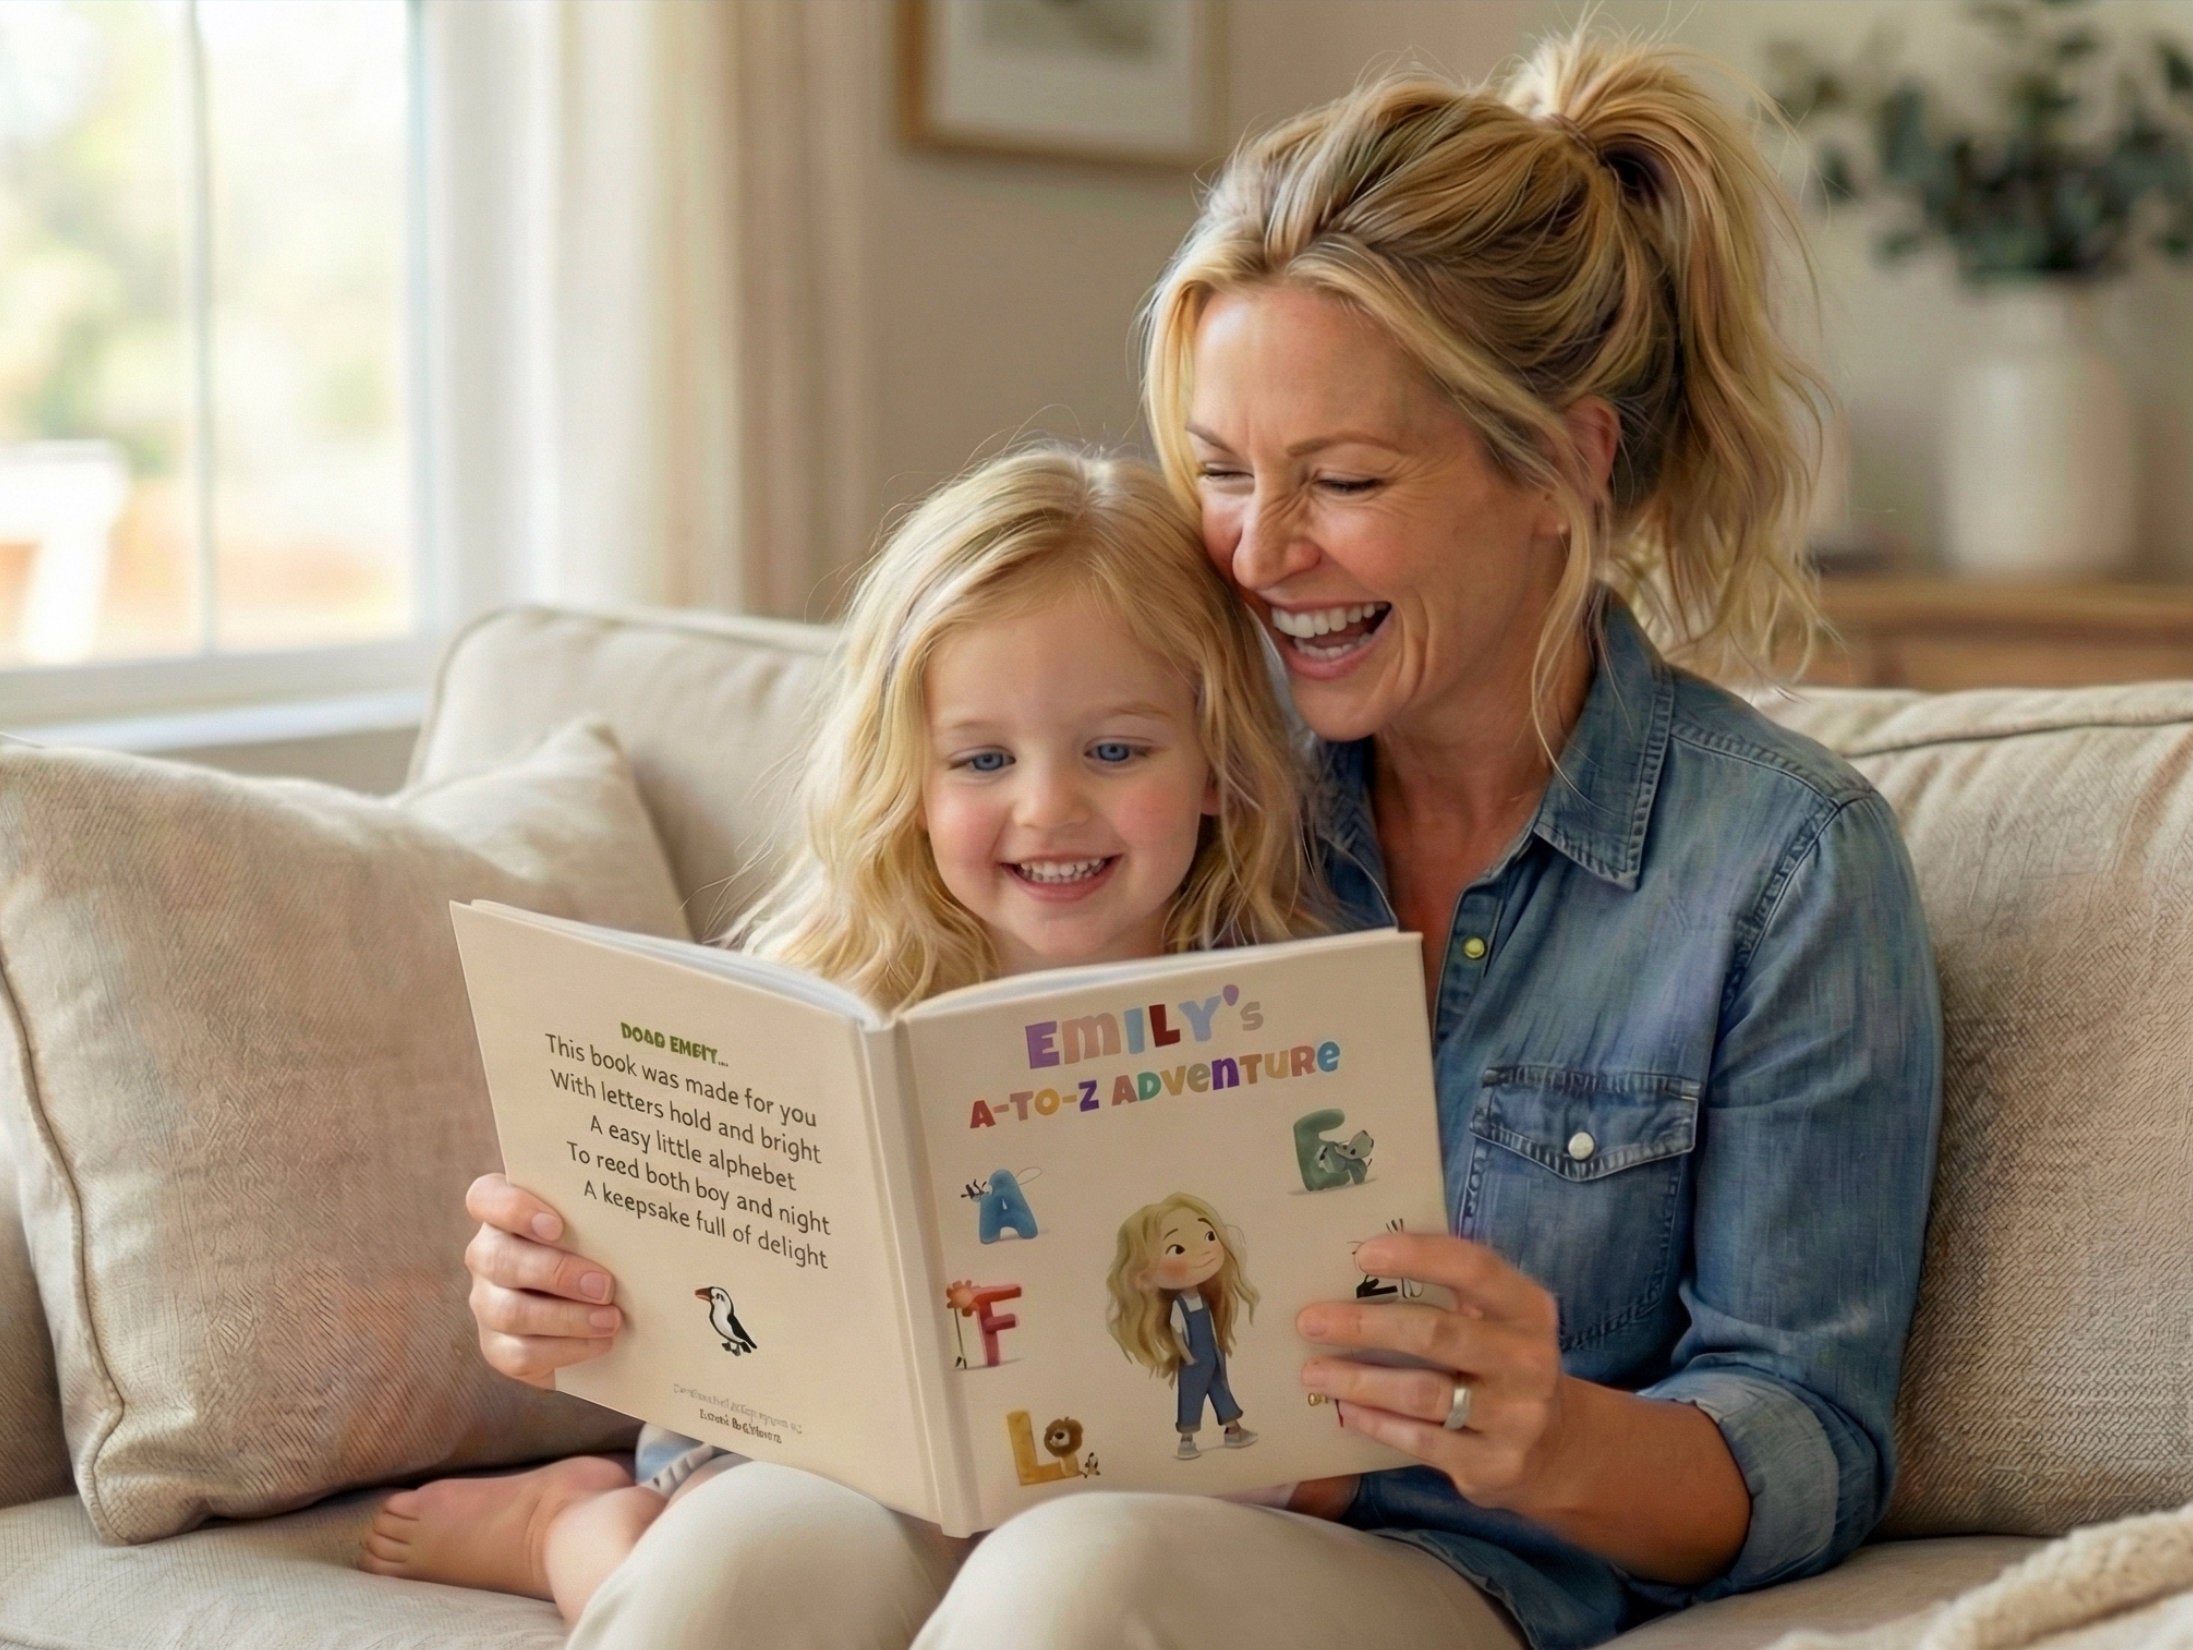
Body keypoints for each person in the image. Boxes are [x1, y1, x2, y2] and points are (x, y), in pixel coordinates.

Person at [448, 30, 1943, 1650]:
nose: (1261, 547)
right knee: (729, 1573)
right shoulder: (1178, 769)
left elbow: (1813, 1441)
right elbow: (917, 1027)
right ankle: (608, 1545)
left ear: (1562, 465)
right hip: (1002, 1489)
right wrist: (638, 1291)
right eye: (1222, 472)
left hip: (1449, 1565)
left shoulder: (1781, 871)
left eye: (1345, 478)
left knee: (1077, 1585)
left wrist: (1551, 1436)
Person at [358, 444, 1319, 1624]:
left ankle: (598, 1533)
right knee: (737, 1573)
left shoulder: (1283, 1004)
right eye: (981, 759)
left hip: (1118, 1499)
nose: (1049, 806)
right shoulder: (826, 991)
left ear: (1217, 759)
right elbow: (665, 1269)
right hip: (787, 1464)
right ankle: (579, 1527)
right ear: (908, 779)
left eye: (1115, 751)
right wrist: (545, 1287)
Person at [1104, 1191, 1262, 1458]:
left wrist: (1217, 1348)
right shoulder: (1180, 1305)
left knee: (1221, 1389)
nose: (1202, 1253)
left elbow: (1210, 1325)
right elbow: (1177, 1332)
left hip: (1212, 1353)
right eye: (1177, 1249)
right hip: (1193, 1359)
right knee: (1191, 1396)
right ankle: (1186, 1440)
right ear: (1143, 1276)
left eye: (1209, 1236)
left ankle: (1233, 1431)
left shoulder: (1203, 1297)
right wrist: (1188, 1357)